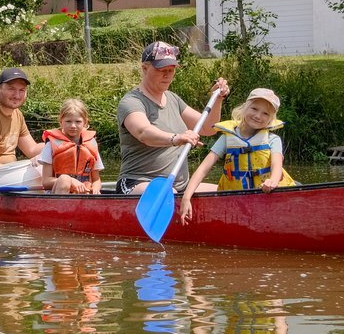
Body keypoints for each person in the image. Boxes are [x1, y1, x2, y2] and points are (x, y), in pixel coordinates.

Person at [115, 41, 229, 194]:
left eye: (171, 69)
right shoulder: (131, 102)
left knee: (225, 190)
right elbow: (143, 133)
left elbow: (208, 128)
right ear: (144, 68)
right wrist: (176, 138)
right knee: (169, 192)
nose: (167, 75)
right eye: (161, 69)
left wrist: (218, 100)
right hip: (137, 183)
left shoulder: (173, 99)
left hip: (180, 187)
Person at [179, 87, 297, 225]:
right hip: (236, 199)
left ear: (271, 119)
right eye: (254, 109)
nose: (258, 116)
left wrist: (273, 181)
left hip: (268, 195)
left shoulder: (273, 139)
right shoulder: (227, 138)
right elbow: (203, 168)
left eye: (265, 113)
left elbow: (277, 165)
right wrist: (186, 197)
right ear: (245, 108)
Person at [38, 98, 104, 194]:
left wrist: (95, 188)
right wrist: (71, 181)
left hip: (83, 192)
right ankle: (60, 208)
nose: (73, 125)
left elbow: (96, 180)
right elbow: (46, 182)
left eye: (78, 122)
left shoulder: (91, 144)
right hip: (58, 191)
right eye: (68, 121)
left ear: (85, 123)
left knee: (87, 189)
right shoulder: (51, 144)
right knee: (65, 179)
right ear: (61, 122)